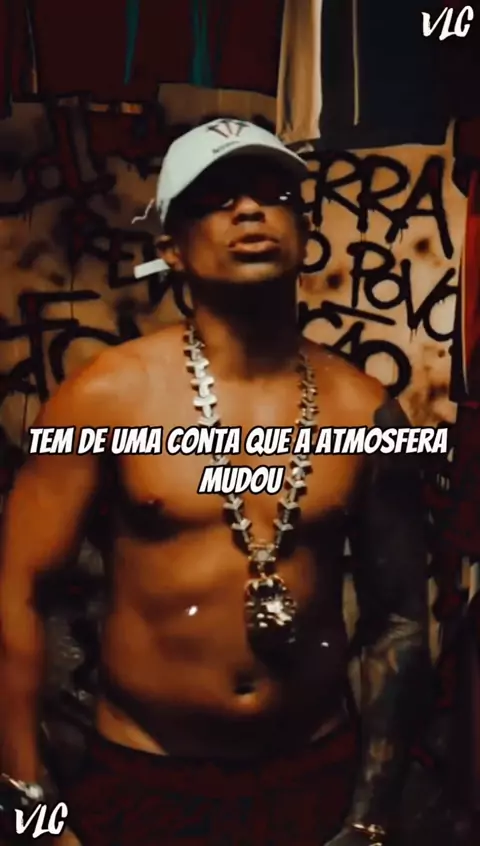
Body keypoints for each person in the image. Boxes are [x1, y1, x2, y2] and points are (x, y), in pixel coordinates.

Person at [0, 118, 431, 845]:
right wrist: (29, 806)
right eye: (216, 198)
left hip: (313, 776)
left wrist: (371, 816)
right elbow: (18, 591)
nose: (250, 210)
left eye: (272, 193)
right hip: (144, 778)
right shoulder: (106, 396)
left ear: (304, 230)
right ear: (172, 247)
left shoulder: (365, 408)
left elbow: (399, 620)